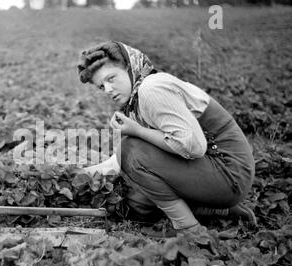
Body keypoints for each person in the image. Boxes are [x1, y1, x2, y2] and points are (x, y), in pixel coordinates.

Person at [76, 40, 257, 236]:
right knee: (137, 201)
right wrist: (80, 174)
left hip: (229, 171)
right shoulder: (136, 98)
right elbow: (119, 161)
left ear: (129, 67)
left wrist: (137, 131)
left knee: (131, 150)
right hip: (214, 169)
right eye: (102, 86)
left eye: (111, 78)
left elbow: (192, 146)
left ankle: (191, 230)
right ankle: (219, 210)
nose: (108, 89)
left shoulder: (151, 89)